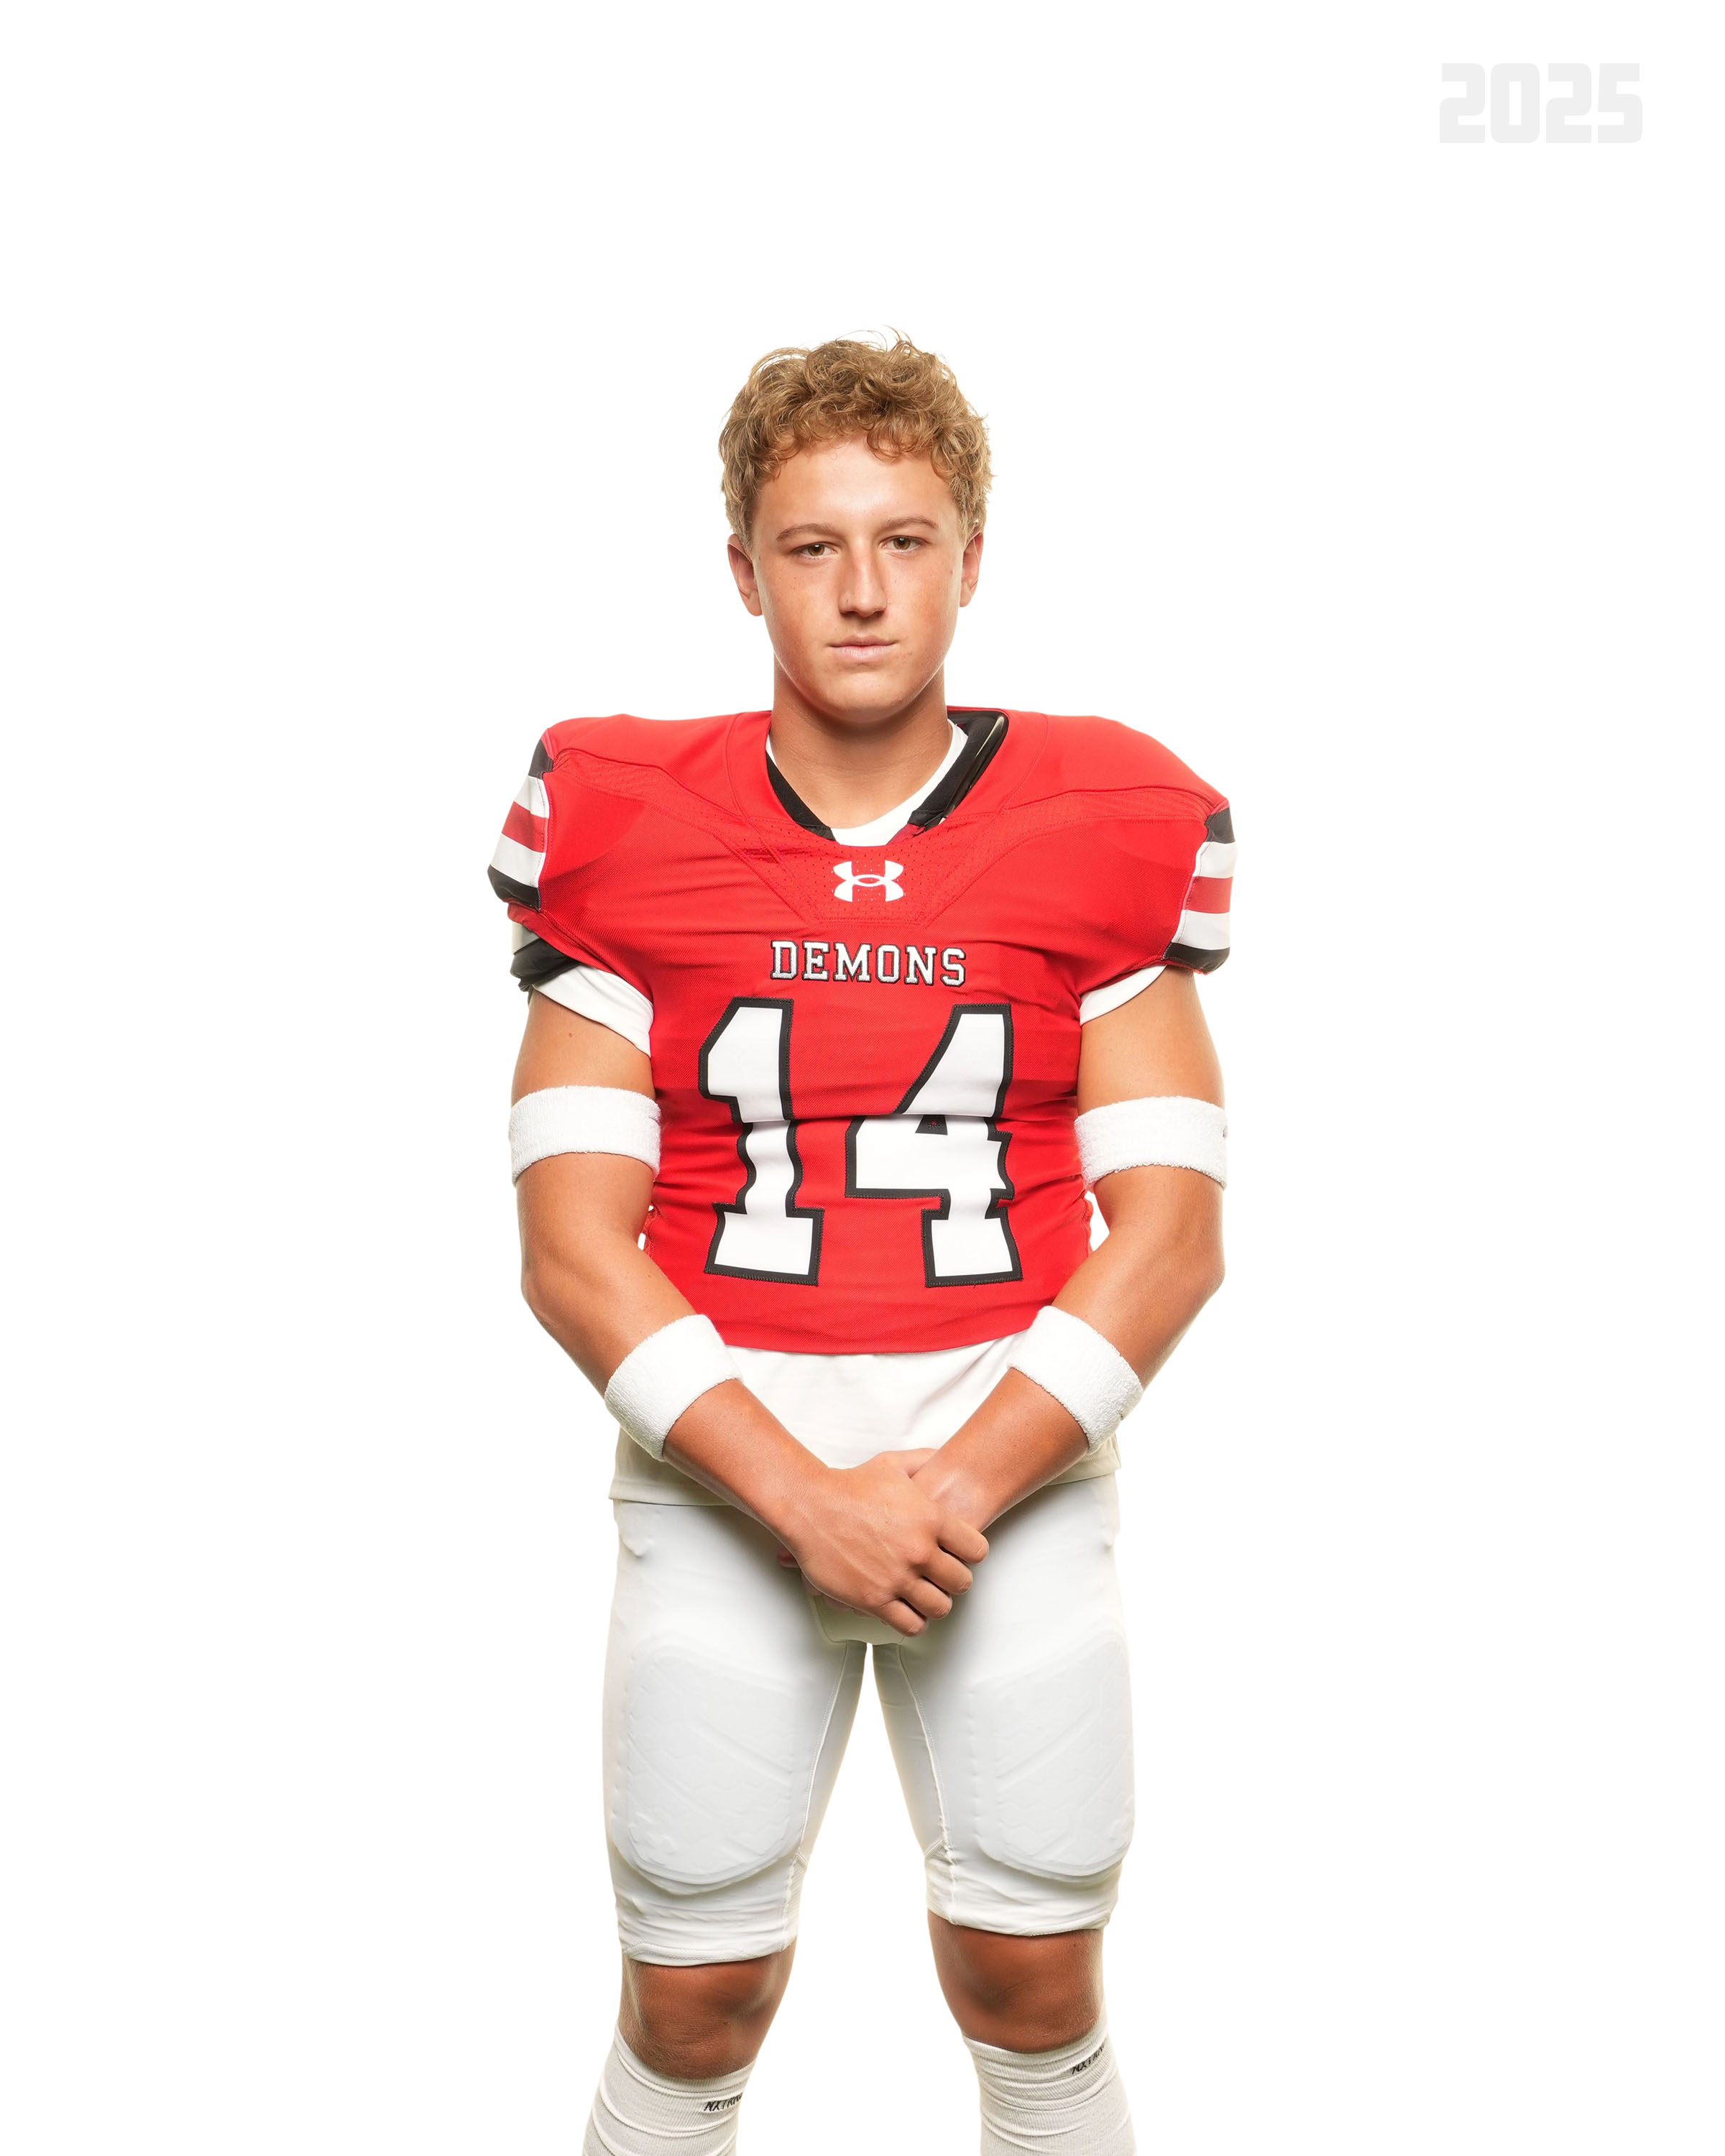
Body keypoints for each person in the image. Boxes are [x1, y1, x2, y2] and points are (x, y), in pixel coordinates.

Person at [490, 335, 1232, 2155]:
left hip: (1012, 1449)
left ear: (972, 556)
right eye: (811, 546)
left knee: (1034, 1976)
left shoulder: (1110, 813)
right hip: (720, 1454)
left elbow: (1172, 1237)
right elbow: (573, 1247)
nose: (863, 590)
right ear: (743, 570)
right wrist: (804, 1498)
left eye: (904, 541)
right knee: (696, 1992)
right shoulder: (620, 815)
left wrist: (949, 1488)